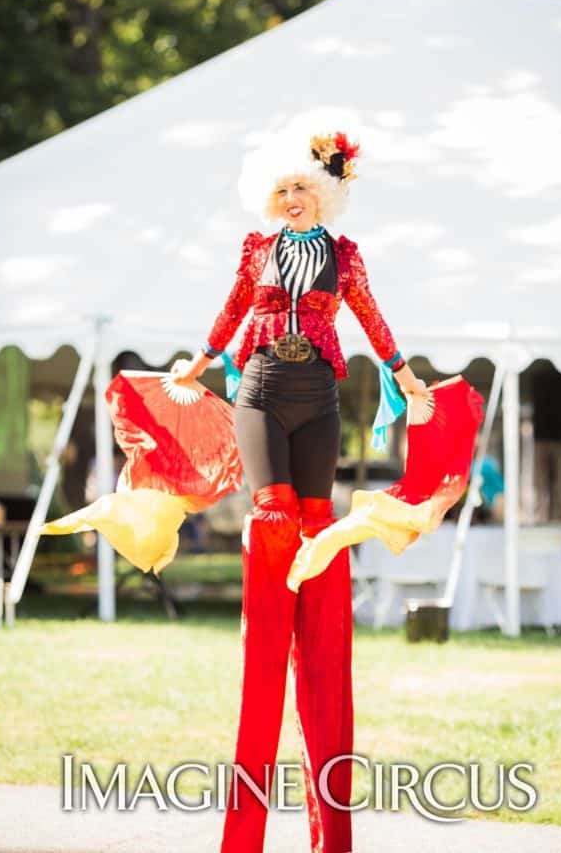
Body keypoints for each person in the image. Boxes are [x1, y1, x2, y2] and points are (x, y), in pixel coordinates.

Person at [171, 127, 427, 853]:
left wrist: (404, 374)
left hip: (320, 394)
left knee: (320, 530)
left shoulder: (344, 257)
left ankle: (329, 830)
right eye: (282, 188)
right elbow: (229, 311)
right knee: (276, 514)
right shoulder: (256, 250)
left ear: (327, 196)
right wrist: (202, 361)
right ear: (270, 196)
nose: (291, 198)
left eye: (303, 188)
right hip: (259, 388)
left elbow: (373, 319)